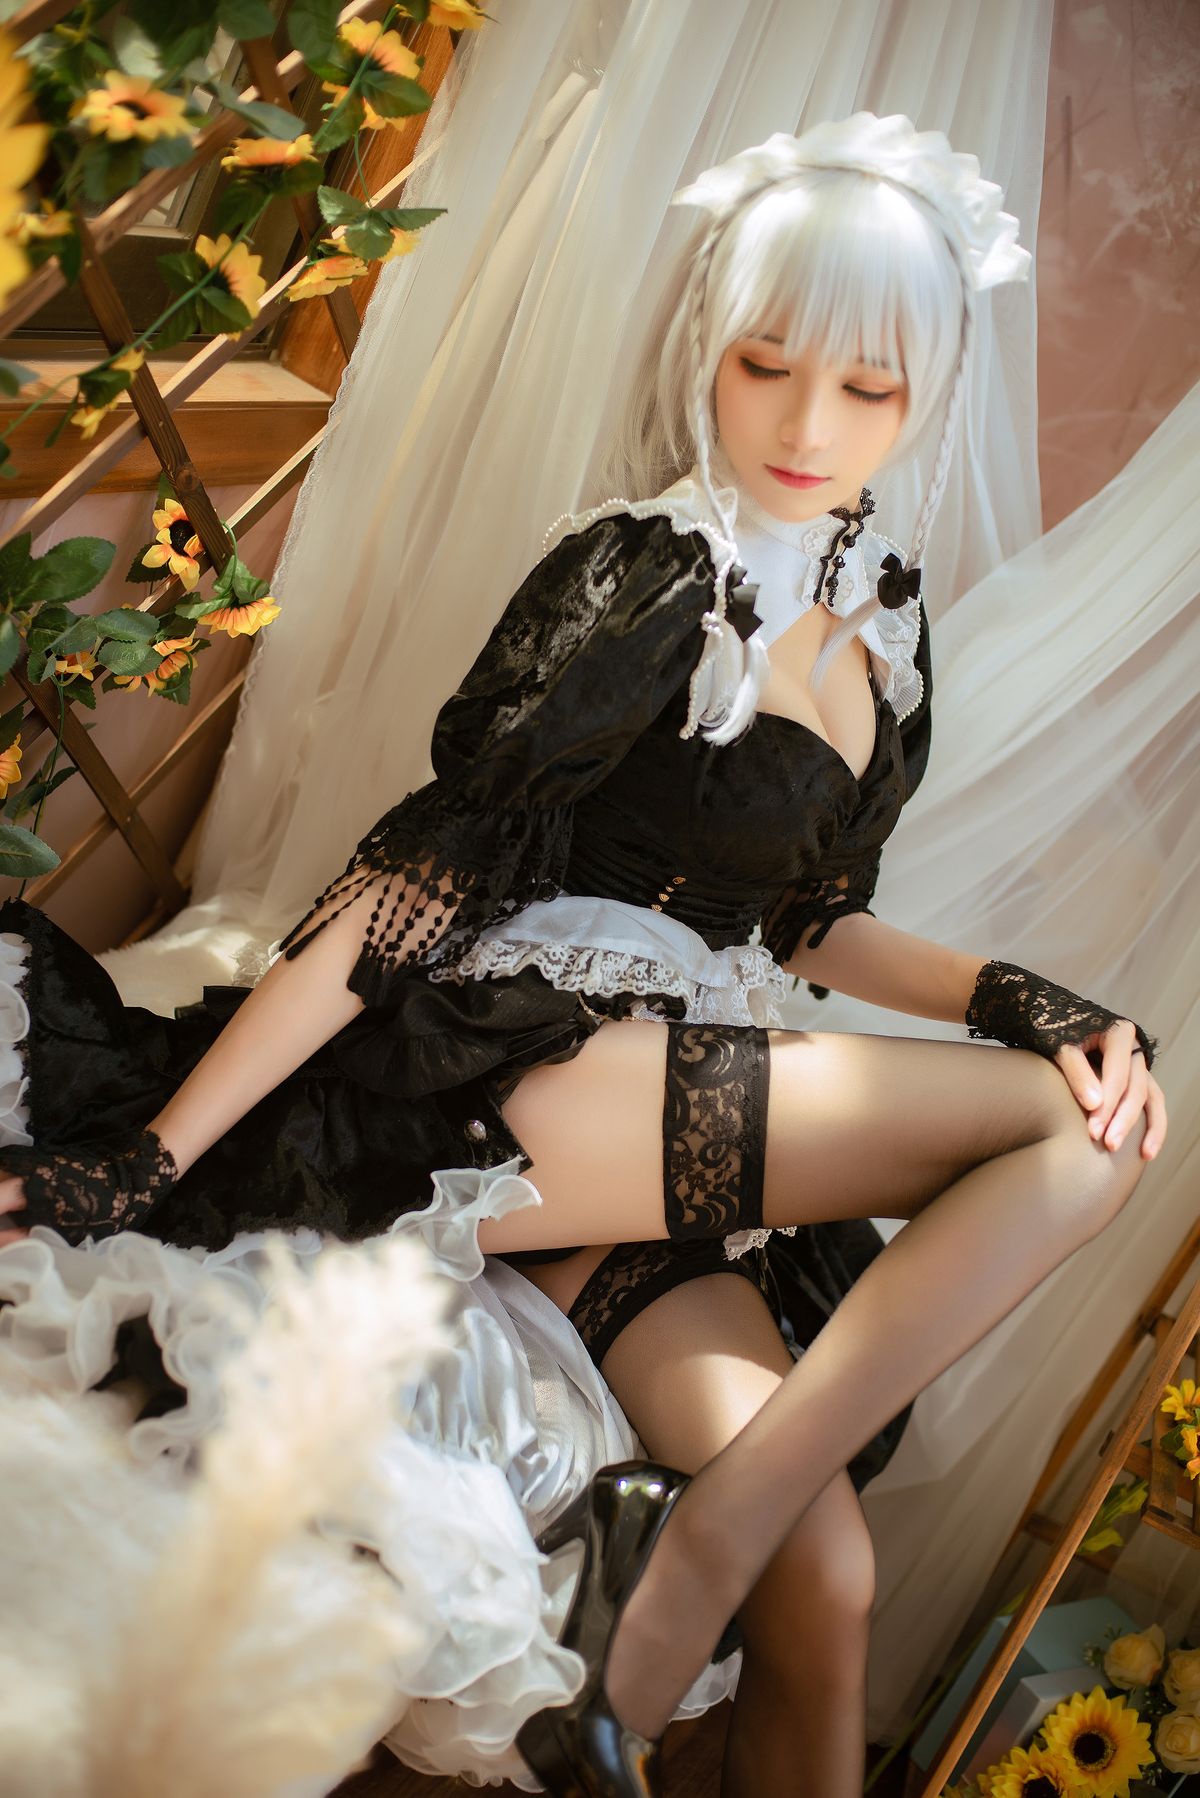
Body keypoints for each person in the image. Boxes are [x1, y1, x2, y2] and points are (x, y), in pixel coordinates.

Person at [0, 113, 1168, 1798]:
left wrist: (1006, 991)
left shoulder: (884, 620)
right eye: (766, 365)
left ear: (932, 394)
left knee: (831, 1576)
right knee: (1071, 1129)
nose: (806, 426)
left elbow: (805, 920)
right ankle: (680, 1569)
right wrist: (157, 1151)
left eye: (869, 389)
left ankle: (698, 1549)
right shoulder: (649, 572)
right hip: (531, 1072)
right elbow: (415, 883)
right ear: (706, 342)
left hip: (674, 1153)